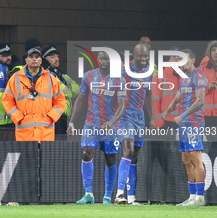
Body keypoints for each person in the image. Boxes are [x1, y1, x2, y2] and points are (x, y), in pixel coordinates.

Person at [67, 51, 127, 204]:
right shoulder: (89, 76)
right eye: (101, 58)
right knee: (87, 153)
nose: (104, 61)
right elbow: (80, 101)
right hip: (91, 124)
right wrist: (72, 123)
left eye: (107, 58)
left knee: (110, 159)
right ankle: (88, 194)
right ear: (97, 60)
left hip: (111, 126)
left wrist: (112, 122)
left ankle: (107, 196)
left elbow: (122, 105)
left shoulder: (119, 79)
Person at [162, 49, 207, 206]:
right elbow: (177, 98)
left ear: (193, 60)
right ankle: (192, 196)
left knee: (195, 157)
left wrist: (183, 116)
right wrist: (167, 111)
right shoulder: (184, 79)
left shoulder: (199, 76)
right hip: (184, 124)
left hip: (194, 121)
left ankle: (200, 198)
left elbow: (200, 101)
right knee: (186, 159)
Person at [115, 43, 156, 205]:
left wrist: (152, 118)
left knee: (135, 155)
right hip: (125, 115)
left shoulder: (149, 72)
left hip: (140, 116)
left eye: (146, 56)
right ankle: (119, 194)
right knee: (128, 150)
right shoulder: (124, 71)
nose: (144, 59)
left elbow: (149, 94)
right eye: (141, 56)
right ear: (134, 56)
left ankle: (131, 197)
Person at [2, 46, 66, 142]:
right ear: (26, 60)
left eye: (37, 57)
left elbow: (60, 100)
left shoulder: (51, 78)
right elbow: (7, 100)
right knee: (27, 157)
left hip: (46, 133)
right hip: (24, 133)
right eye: (31, 57)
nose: (34, 59)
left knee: (45, 157)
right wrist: (18, 117)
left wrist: (51, 117)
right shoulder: (15, 78)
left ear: (41, 60)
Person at [42, 45, 80, 134]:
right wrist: (69, 88)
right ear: (45, 60)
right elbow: (68, 93)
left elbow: (77, 89)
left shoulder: (61, 74)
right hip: (55, 117)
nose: (56, 59)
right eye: (52, 57)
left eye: (57, 56)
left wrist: (69, 89)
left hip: (65, 117)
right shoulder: (48, 75)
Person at [153, 46, 181, 130]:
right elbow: (155, 100)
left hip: (182, 120)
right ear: (169, 59)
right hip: (166, 122)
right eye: (174, 56)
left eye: (179, 57)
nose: (176, 58)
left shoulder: (184, 76)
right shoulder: (160, 76)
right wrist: (159, 121)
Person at [199, 41, 217, 136]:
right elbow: (195, 90)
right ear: (209, 52)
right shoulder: (201, 69)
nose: (216, 52)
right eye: (213, 50)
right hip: (205, 115)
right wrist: (207, 88)